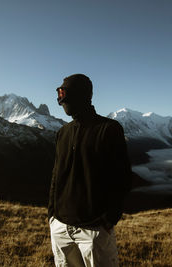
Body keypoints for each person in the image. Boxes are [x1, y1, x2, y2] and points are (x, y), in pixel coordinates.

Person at [48, 74, 132, 266]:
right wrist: (52, 215)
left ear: (80, 95)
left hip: (93, 231)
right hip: (60, 228)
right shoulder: (63, 132)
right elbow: (56, 176)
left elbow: (123, 178)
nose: (60, 100)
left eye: (63, 93)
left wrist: (109, 219)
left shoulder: (109, 129)